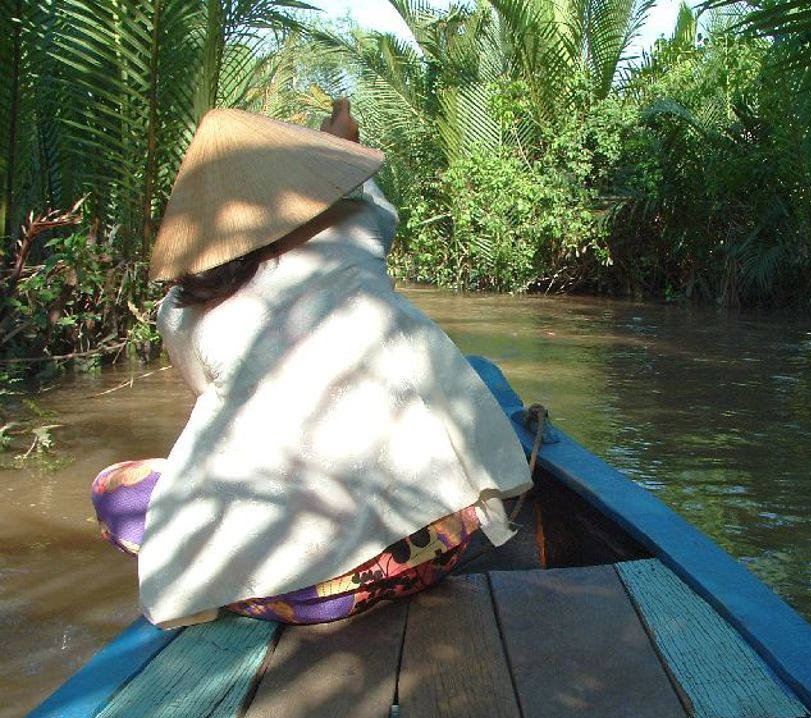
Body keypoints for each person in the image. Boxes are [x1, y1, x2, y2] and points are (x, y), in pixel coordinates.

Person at [91, 99, 533, 628]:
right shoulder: (351, 236)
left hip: (300, 597)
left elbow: (209, 406)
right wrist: (338, 140)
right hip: (433, 550)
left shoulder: (180, 312)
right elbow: (365, 191)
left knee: (116, 487)